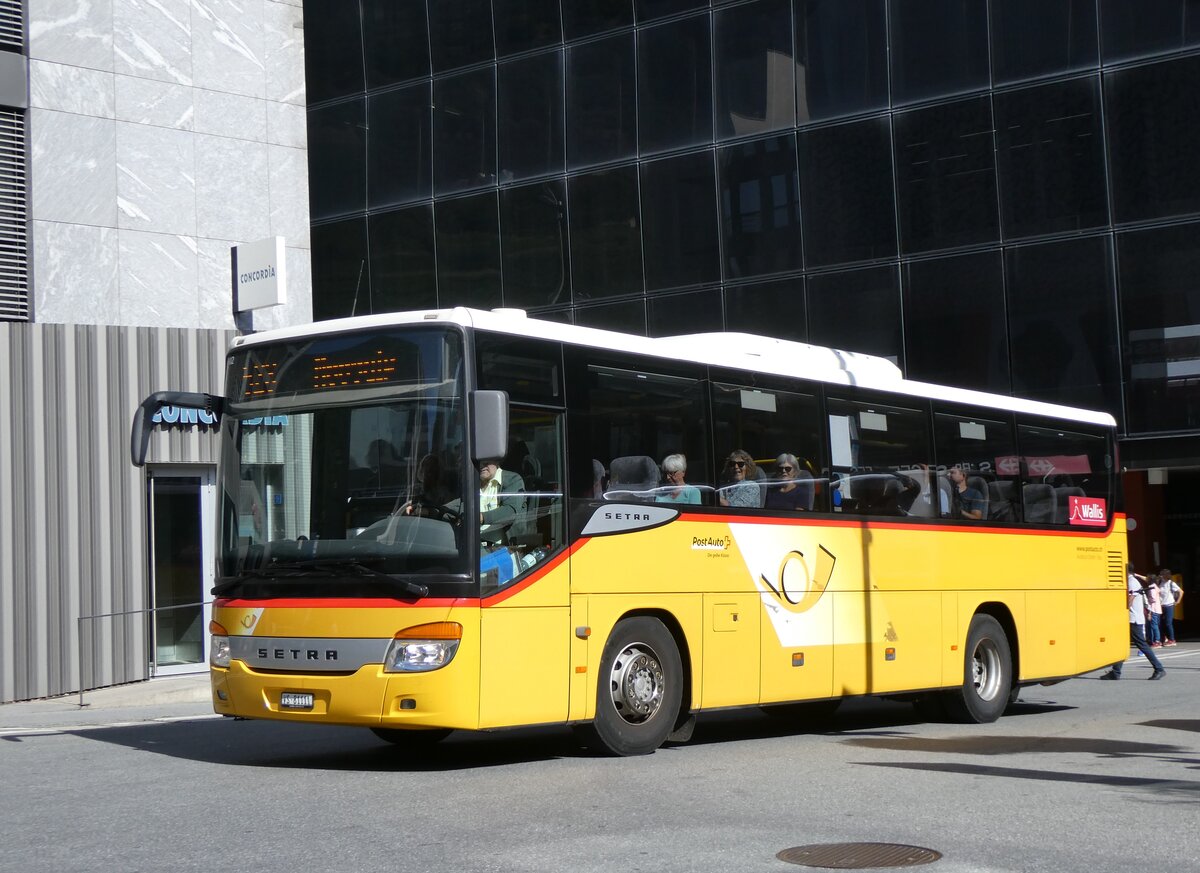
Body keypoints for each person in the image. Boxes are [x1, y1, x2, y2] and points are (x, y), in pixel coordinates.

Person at [1101, 563, 1165, 680]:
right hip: (1130, 618)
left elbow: (1129, 601)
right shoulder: (1131, 581)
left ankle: (1159, 668)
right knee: (1120, 644)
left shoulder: (1132, 582)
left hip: (1133, 619)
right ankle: (1116, 672)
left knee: (1141, 644)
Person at [1158, 569, 1184, 647]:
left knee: (1168, 623)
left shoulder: (1171, 583)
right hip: (1161, 605)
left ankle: (1172, 639)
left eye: (1162, 575)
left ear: (1166, 576)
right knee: (1160, 623)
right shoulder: (1160, 583)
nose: (1160, 576)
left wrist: (1178, 601)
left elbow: (1181, 591)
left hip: (1169, 605)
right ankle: (1164, 638)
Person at [1145, 572, 1163, 648]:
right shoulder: (1156, 586)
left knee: (1154, 625)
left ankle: (1157, 641)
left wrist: (1149, 612)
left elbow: (1152, 600)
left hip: (1153, 609)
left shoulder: (1151, 587)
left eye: (1147, 578)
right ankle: (1155, 640)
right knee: (1155, 625)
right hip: (1157, 609)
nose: (1146, 579)